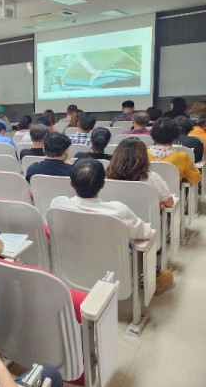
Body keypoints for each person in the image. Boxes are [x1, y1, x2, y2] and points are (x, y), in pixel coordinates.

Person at [50, 158, 174, 295]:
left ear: (71, 183)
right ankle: (152, 276)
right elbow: (146, 233)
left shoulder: (57, 204)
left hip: (71, 270)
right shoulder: (118, 211)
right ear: (103, 184)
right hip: (113, 270)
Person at [106, 138, 174, 207]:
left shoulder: (108, 177)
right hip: (146, 217)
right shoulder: (152, 178)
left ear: (117, 155)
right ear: (143, 157)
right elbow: (169, 204)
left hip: (117, 216)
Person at [147, 117, 201, 184]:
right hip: (174, 193)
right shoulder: (182, 157)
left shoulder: (145, 154)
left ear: (153, 135)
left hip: (148, 193)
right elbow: (195, 178)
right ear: (175, 136)